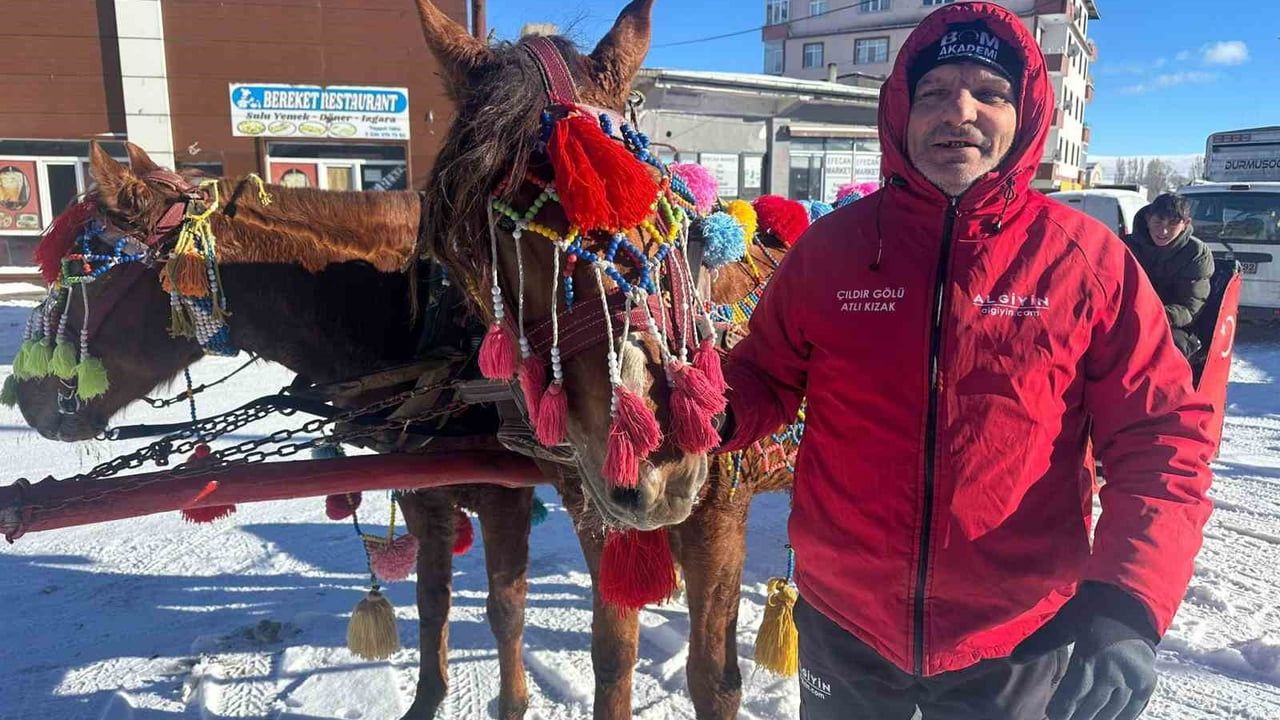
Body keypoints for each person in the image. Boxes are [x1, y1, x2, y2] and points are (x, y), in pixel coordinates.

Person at [717, 4, 1215, 720]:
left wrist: (1127, 597)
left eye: (990, 92)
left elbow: (1162, 438)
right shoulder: (831, 250)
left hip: (1016, 634)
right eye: (934, 92)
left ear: (1026, 114)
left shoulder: (1087, 262)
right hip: (844, 621)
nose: (960, 111)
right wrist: (712, 405)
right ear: (902, 112)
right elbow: (765, 373)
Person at [1123, 193, 1215, 358]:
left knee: (1159, 350)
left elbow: (1191, 308)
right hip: (1127, 317)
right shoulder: (1125, 246)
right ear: (1148, 218)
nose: (1163, 231)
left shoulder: (1196, 253)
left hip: (1175, 325)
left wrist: (1153, 315)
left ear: (1186, 224)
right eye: (1158, 222)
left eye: (1173, 224)